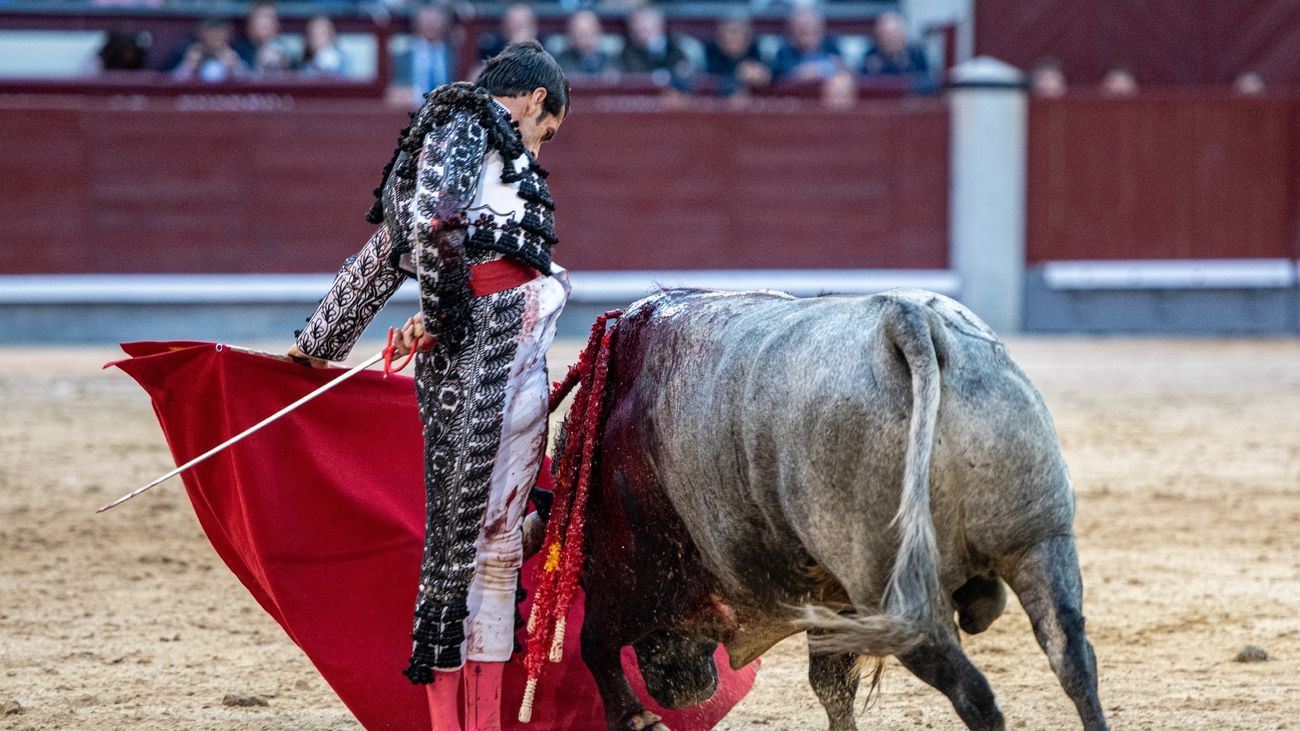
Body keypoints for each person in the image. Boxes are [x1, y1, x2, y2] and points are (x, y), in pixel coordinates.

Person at [288, 41, 570, 731]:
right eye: (548, 128)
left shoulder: (487, 144)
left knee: (500, 540)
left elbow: (404, 244)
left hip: (517, 353)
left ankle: (482, 721)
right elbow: (424, 229)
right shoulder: (464, 124)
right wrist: (433, 321)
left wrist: (323, 342)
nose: (541, 144)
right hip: (473, 357)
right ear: (536, 99)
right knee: (458, 548)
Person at [392, 4, 458, 107]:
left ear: (444, 25)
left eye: (435, 22)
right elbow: (391, 91)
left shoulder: (457, 55)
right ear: (415, 24)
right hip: (412, 110)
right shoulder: (401, 58)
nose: (430, 26)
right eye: (426, 22)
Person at [703, 13, 770, 96]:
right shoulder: (709, 53)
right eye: (731, 32)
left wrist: (765, 75)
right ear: (720, 35)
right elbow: (707, 80)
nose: (735, 38)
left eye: (740, 33)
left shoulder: (756, 51)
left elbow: (774, 74)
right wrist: (737, 75)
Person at [770, 6, 842, 82]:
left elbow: (842, 67)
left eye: (815, 30)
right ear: (792, 31)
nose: (810, 33)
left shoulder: (830, 48)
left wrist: (817, 69)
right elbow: (787, 73)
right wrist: (827, 67)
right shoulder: (784, 53)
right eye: (803, 30)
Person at [861, 11, 931, 89]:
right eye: (886, 35)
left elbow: (927, 83)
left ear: (903, 35)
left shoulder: (916, 56)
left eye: (894, 35)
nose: (890, 40)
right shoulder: (870, 57)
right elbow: (863, 83)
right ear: (878, 36)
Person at [172, 17, 246, 82]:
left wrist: (235, 65)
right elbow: (172, 81)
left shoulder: (238, 51)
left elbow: (248, 80)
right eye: (211, 36)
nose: (215, 40)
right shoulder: (187, 52)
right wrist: (188, 65)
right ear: (202, 36)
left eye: (219, 36)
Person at [233, 0, 293, 75]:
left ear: (277, 24)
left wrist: (283, 62)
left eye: (269, 18)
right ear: (249, 25)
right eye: (259, 17)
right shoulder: (238, 51)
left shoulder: (288, 48)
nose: (264, 22)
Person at [554, 10, 617, 75]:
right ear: (572, 35)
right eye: (580, 32)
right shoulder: (562, 61)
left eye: (588, 31)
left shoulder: (612, 61)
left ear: (598, 31)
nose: (585, 37)